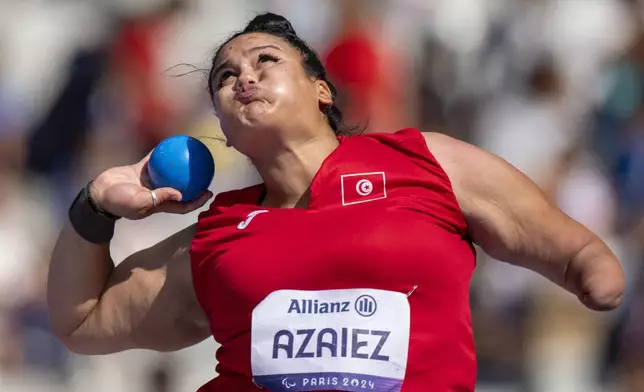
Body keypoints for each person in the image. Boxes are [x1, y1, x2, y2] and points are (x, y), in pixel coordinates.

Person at [47, 13, 625, 392]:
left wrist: (596, 279)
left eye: (265, 61)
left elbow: (579, 255)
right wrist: (97, 205)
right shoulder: (217, 233)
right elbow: (82, 321)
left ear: (321, 90)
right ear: (220, 125)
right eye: (225, 76)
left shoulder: (428, 162)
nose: (242, 77)